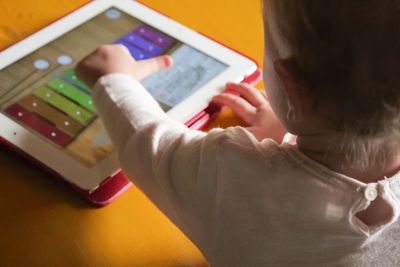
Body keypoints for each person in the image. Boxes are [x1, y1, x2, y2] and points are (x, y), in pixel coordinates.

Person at [76, 0, 400, 266]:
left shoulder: (233, 178)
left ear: (294, 90)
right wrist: (294, 129)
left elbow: (148, 146)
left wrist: (114, 81)